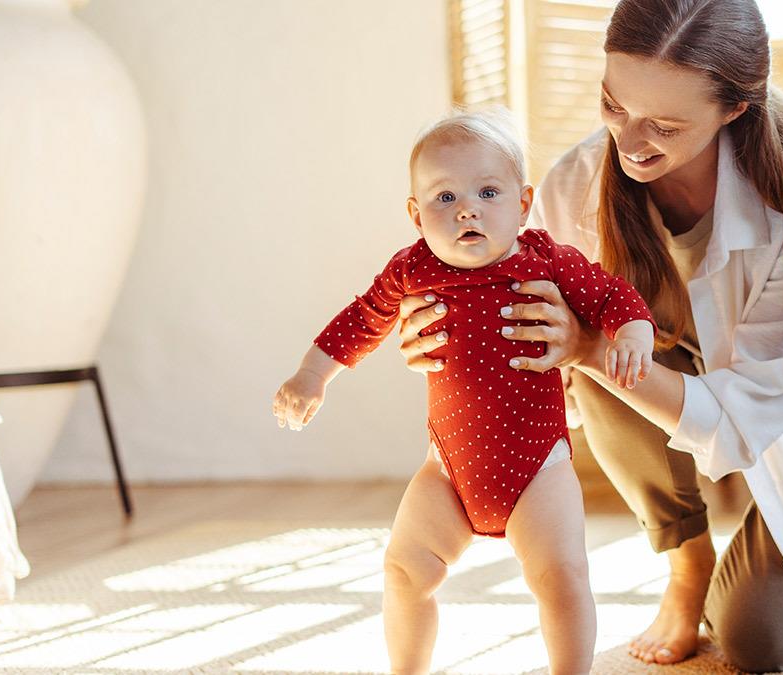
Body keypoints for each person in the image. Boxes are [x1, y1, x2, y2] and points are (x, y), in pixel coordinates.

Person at [393, 1, 783, 672]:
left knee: (755, 640)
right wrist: (442, 335)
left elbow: (742, 418)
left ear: (735, 109)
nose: (629, 140)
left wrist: (588, 348)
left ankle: (760, 567)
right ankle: (686, 559)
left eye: (665, 125)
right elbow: (525, 330)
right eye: (614, 105)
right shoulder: (576, 184)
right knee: (593, 337)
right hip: (675, 364)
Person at [271, 109, 656, 674]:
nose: (467, 209)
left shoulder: (542, 258)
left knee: (562, 575)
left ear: (522, 205)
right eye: (444, 198)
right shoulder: (412, 269)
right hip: (448, 472)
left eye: (488, 192)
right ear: (416, 214)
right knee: (403, 571)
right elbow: (363, 318)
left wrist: (633, 331)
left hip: (538, 471)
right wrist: (311, 375)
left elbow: (610, 294)